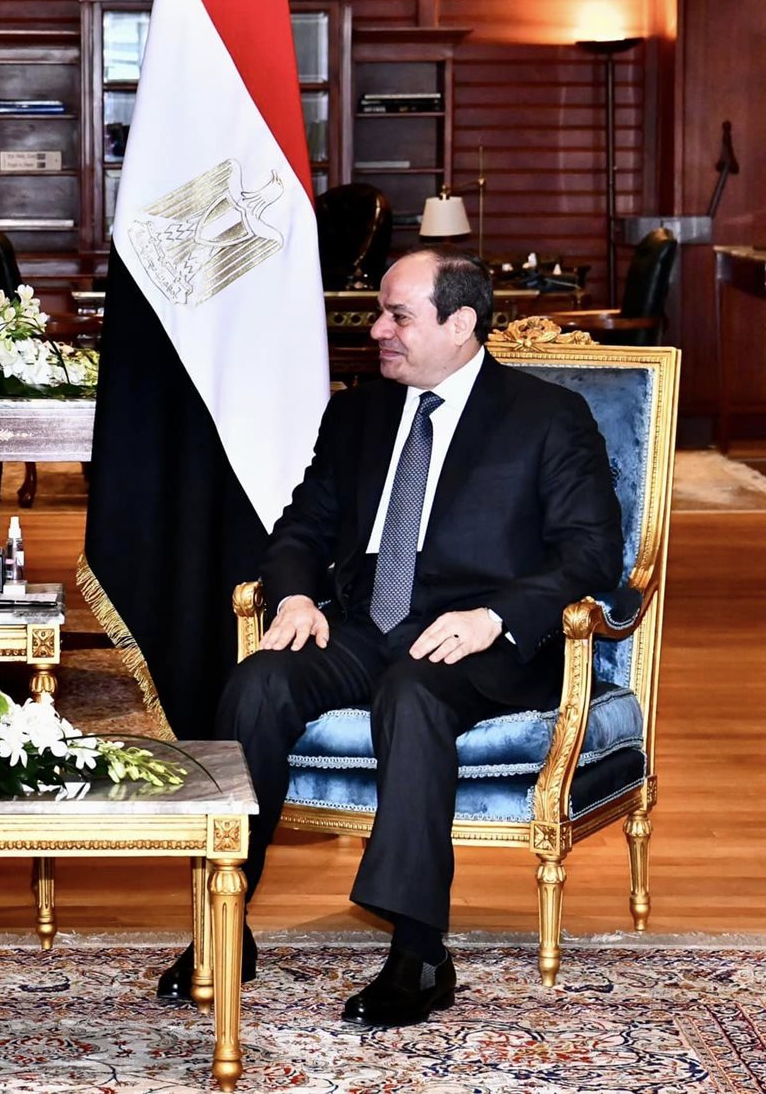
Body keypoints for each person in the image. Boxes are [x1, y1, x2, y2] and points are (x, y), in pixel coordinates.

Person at [156, 249, 622, 1025]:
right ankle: (224, 918)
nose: (377, 330)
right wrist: (294, 595)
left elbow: (591, 552)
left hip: (476, 636)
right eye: (382, 313)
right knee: (257, 683)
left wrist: (495, 617)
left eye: (398, 316)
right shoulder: (359, 413)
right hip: (363, 620)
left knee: (412, 695)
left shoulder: (546, 416)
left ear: (460, 324)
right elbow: (302, 527)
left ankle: (419, 952)